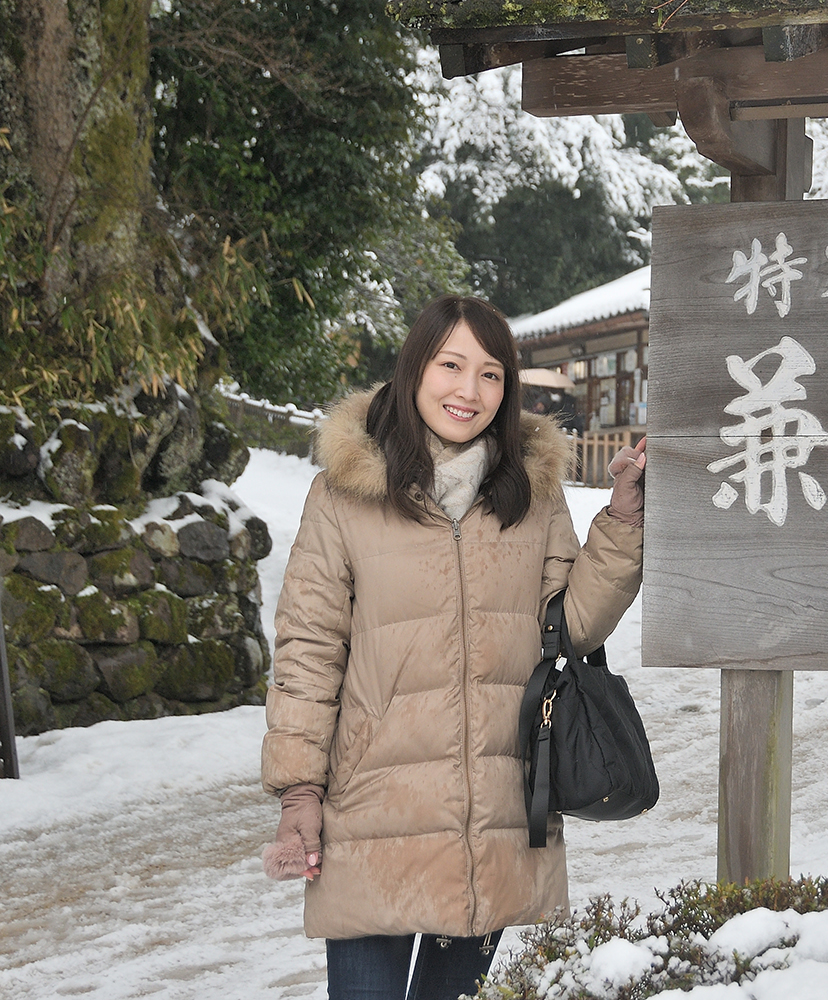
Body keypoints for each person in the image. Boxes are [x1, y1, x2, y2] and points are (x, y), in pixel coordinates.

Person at [259, 295, 646, 1000]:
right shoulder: (343, 495)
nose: (470, 391)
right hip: (373, 812)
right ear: (414, 370)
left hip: (492, 811)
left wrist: (620, 519)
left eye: (492, 374)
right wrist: (300, 790)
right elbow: (308, 652)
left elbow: (572, 627)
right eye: (452, 366)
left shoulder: (532, 494)